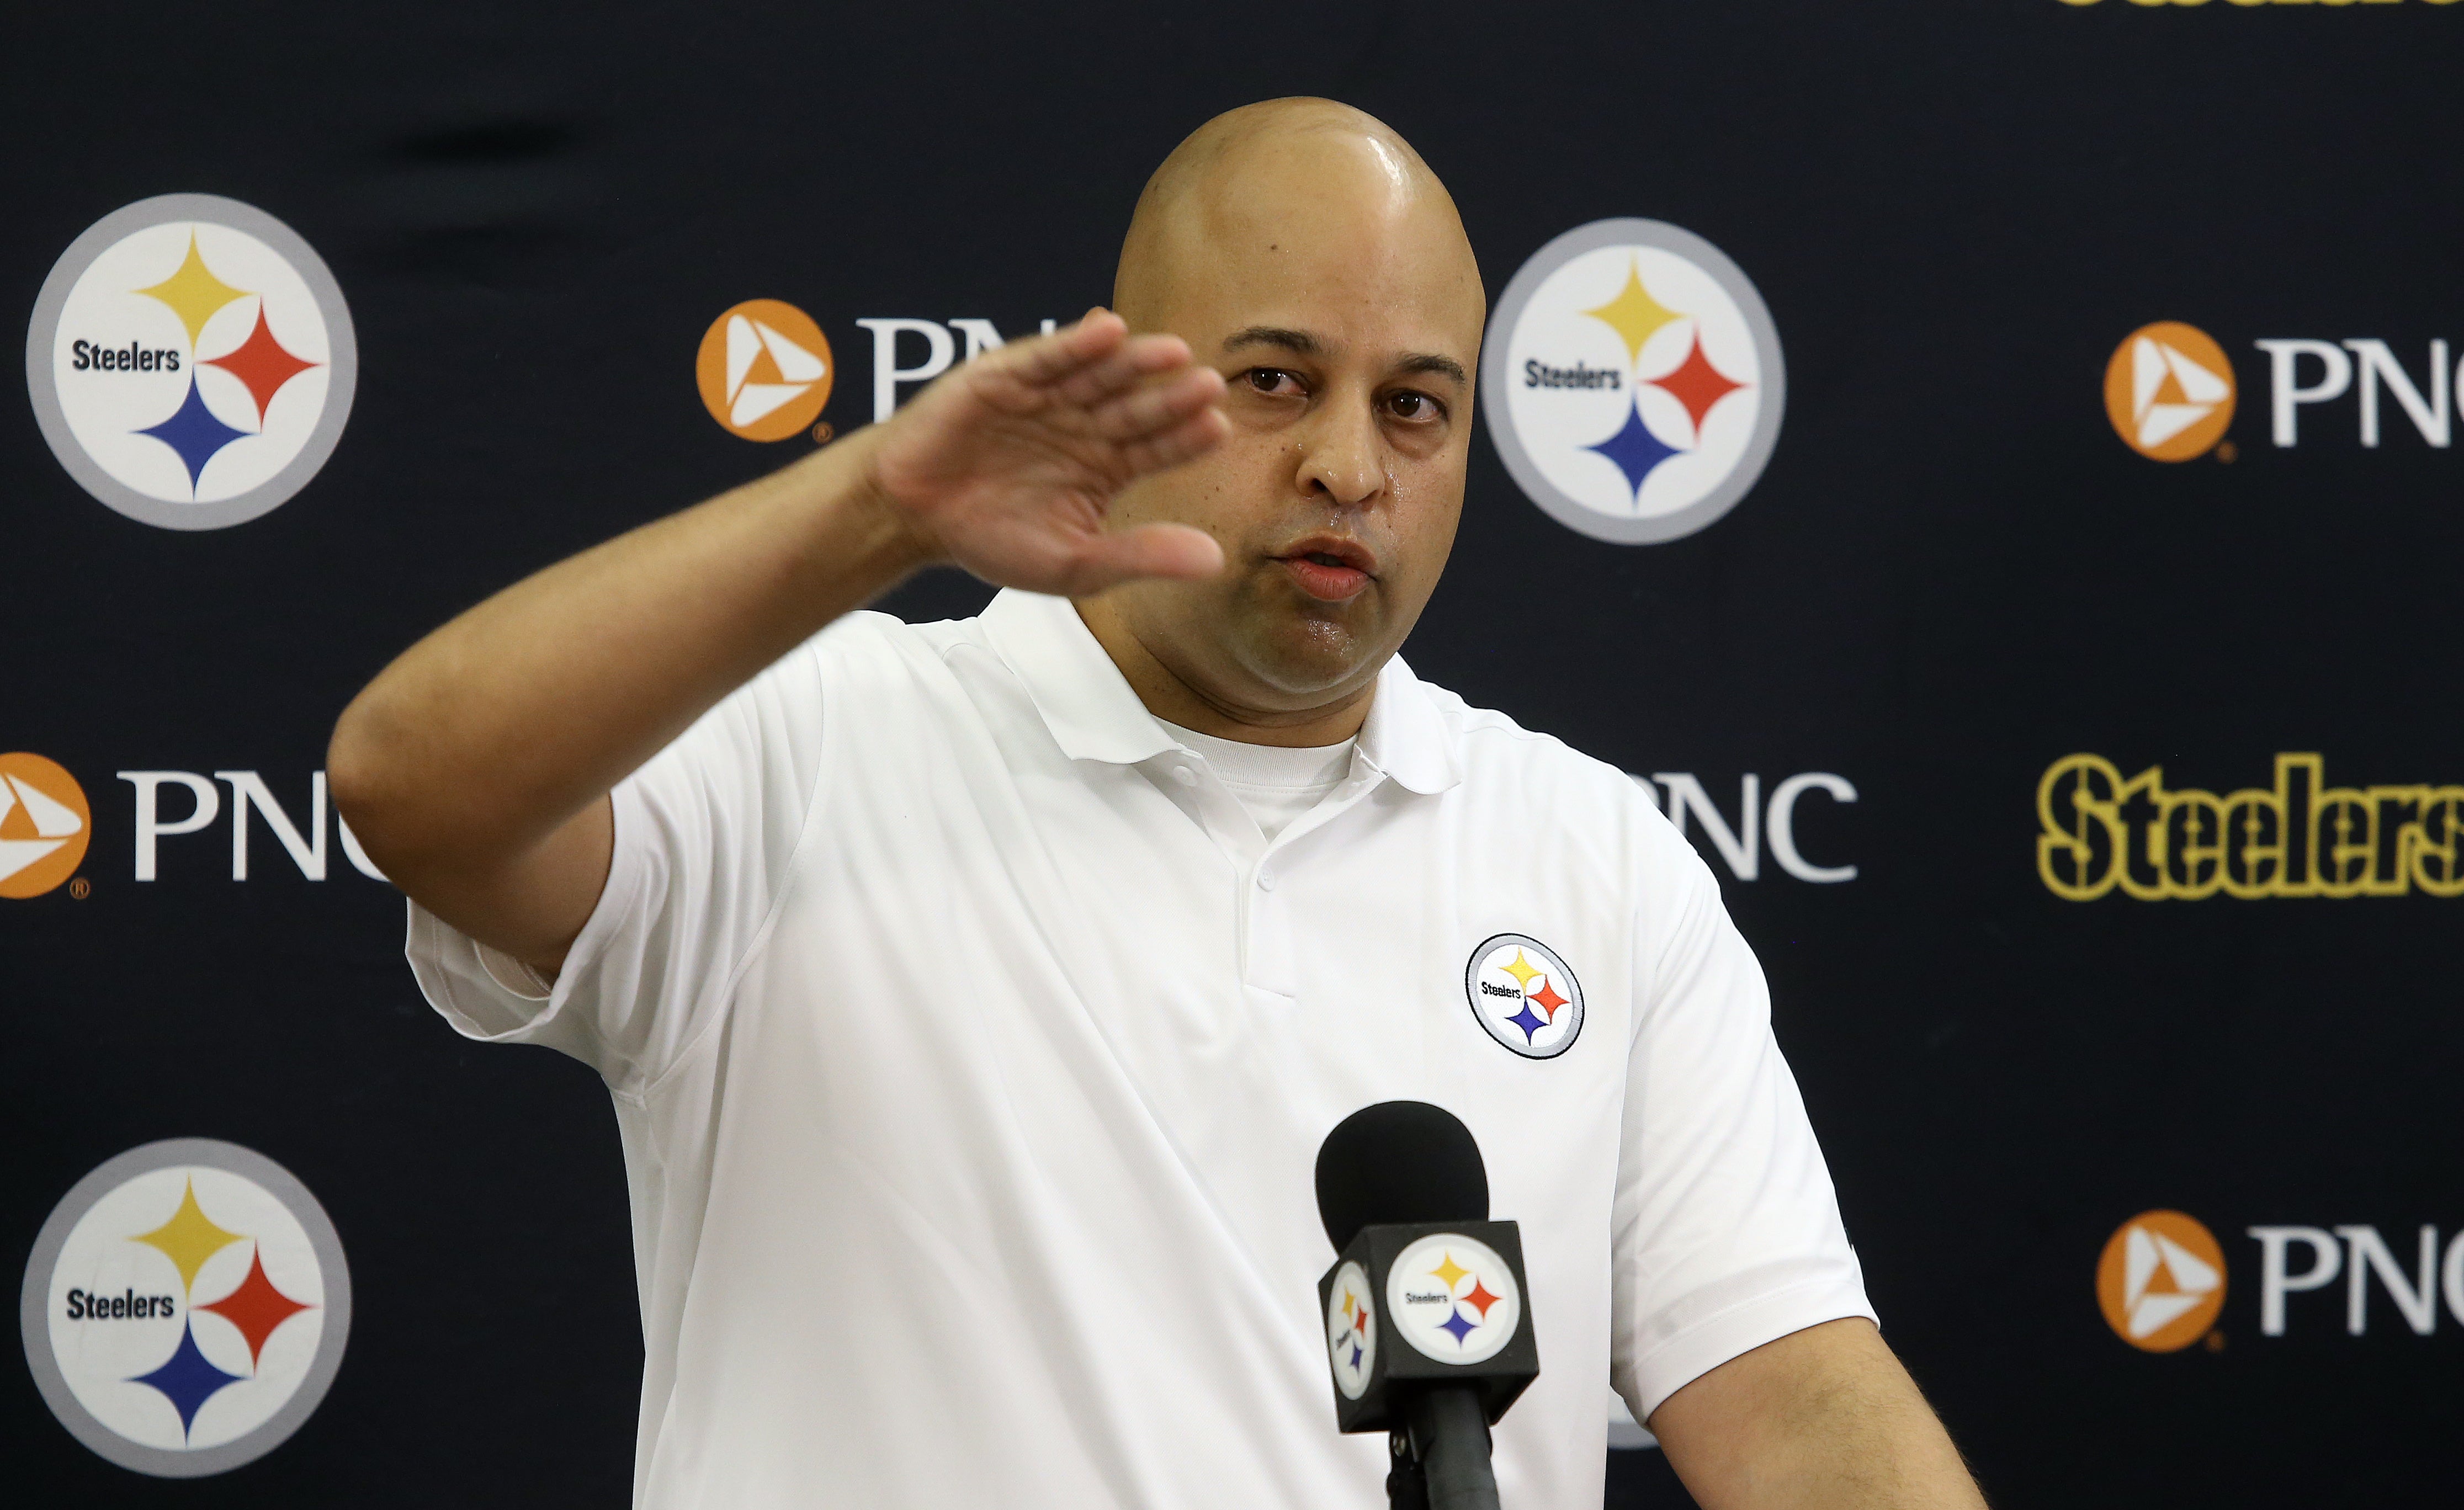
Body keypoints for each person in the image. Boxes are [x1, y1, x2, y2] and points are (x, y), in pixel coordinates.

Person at [330, 98, 1986, 1509]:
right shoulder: (818, 746)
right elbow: (415, 789)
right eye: (1275, 382)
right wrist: (877, 506)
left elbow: (1795, 1404)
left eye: (1415, 405)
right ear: (1123, 387)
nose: (1351, 463)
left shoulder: (1598, 859)